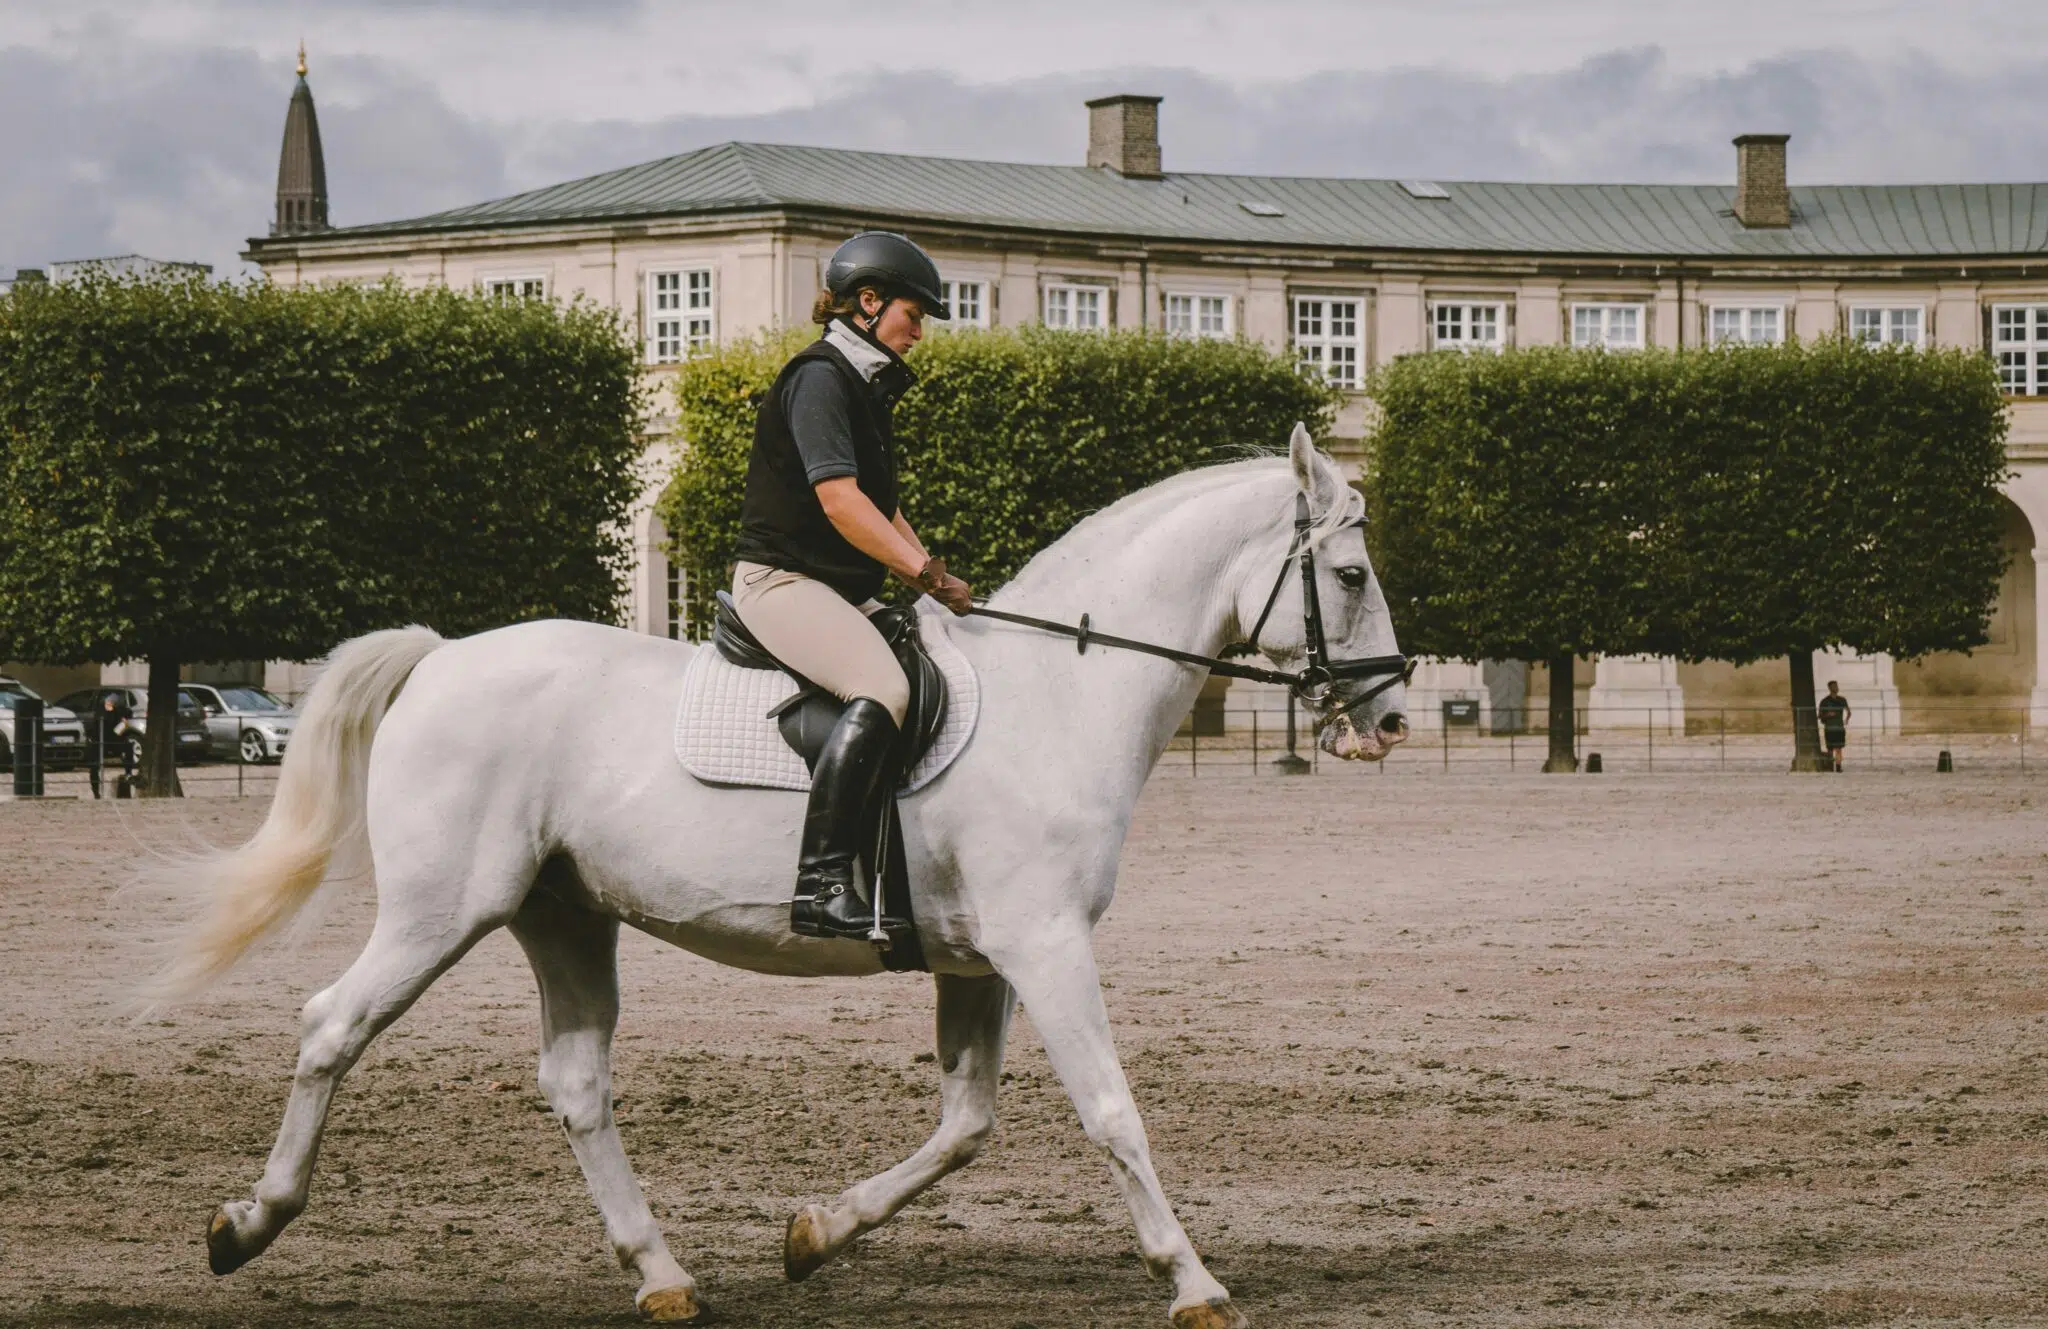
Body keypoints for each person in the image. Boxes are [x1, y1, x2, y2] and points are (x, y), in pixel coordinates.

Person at [731, 231, 973, 940]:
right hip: (782, 581)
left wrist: (934, 582)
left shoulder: (865, 387)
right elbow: (840, 501)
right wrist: (921, 572)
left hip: (835, 588)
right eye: (914, 314)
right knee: (885, 688)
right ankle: (821, 883)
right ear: (869, 303)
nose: (919, 332)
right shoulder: (820, 377)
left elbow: (884, 507)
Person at [88, 692, 134, 799]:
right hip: (99, 740)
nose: (110, 705)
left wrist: (123, 721)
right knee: (94, 765)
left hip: (114, 739)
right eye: (109, 703)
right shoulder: (100, 711)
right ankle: (96, 791)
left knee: (128, 748)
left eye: (112, 703)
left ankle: (128, 773)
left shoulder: (118, 710)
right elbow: (97, 725)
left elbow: (128, 713)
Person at [1818, 680, 1851, 772]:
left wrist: (1846, 719)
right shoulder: (1824, 701)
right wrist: (1827, 715)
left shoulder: (1842, 700)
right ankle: (1830, 766)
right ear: (1830, 688)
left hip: (1839, 727)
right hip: (1829, 727)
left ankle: (1838, 766)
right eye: (1834, 686)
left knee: (1839, 748)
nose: (1836, 688)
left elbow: (1848, 711)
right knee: (1830, 748)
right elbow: (1819, 715)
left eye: (1836, 686)